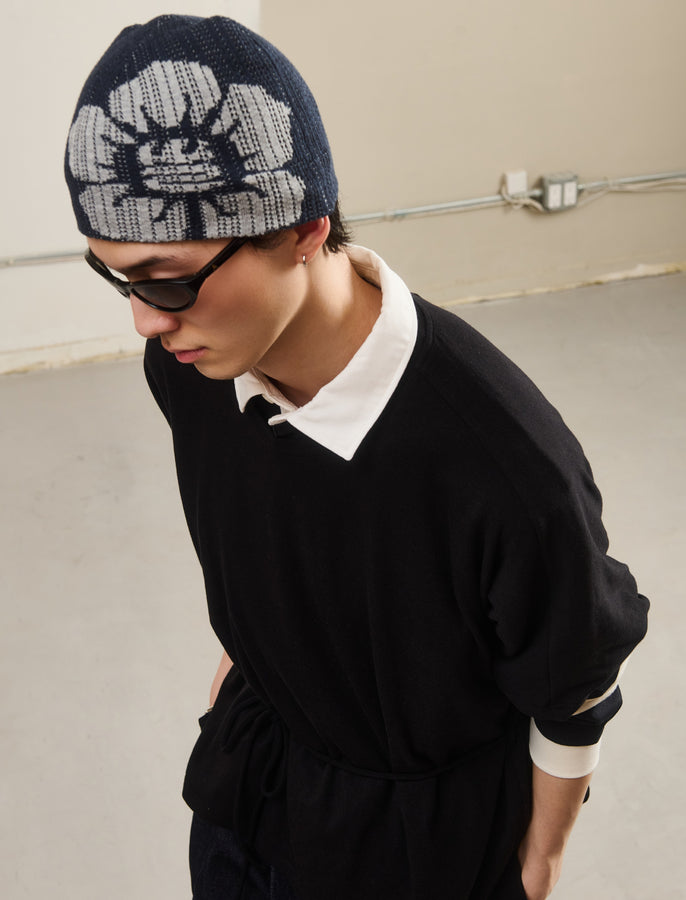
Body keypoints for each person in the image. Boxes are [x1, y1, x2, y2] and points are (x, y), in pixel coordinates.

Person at [64, 14, 649, 900]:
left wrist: (539, 864)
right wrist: (245, 668)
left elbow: (573, 683)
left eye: (168, 278)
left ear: (304, 230)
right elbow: (267, 539)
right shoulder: (192, 369)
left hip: (416, 850)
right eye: (116, 278)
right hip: (248, 791)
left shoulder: (504, 465)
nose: (145, 321)